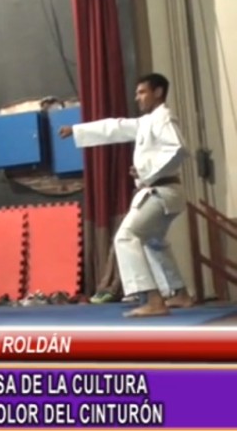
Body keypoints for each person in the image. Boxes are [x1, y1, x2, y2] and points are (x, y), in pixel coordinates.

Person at [59, 72, 194, 317]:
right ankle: (180, 293)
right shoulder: (147, 122)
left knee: (126, 237)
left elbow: (178, 149)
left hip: (161, 191)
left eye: (142, 92)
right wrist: (77, 130)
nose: (137, 97)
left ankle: (153, 299)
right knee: (153, 242)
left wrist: (145, 171)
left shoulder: (163, 117)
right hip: (164, 191)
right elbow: (115, 127)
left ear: (158, 92)